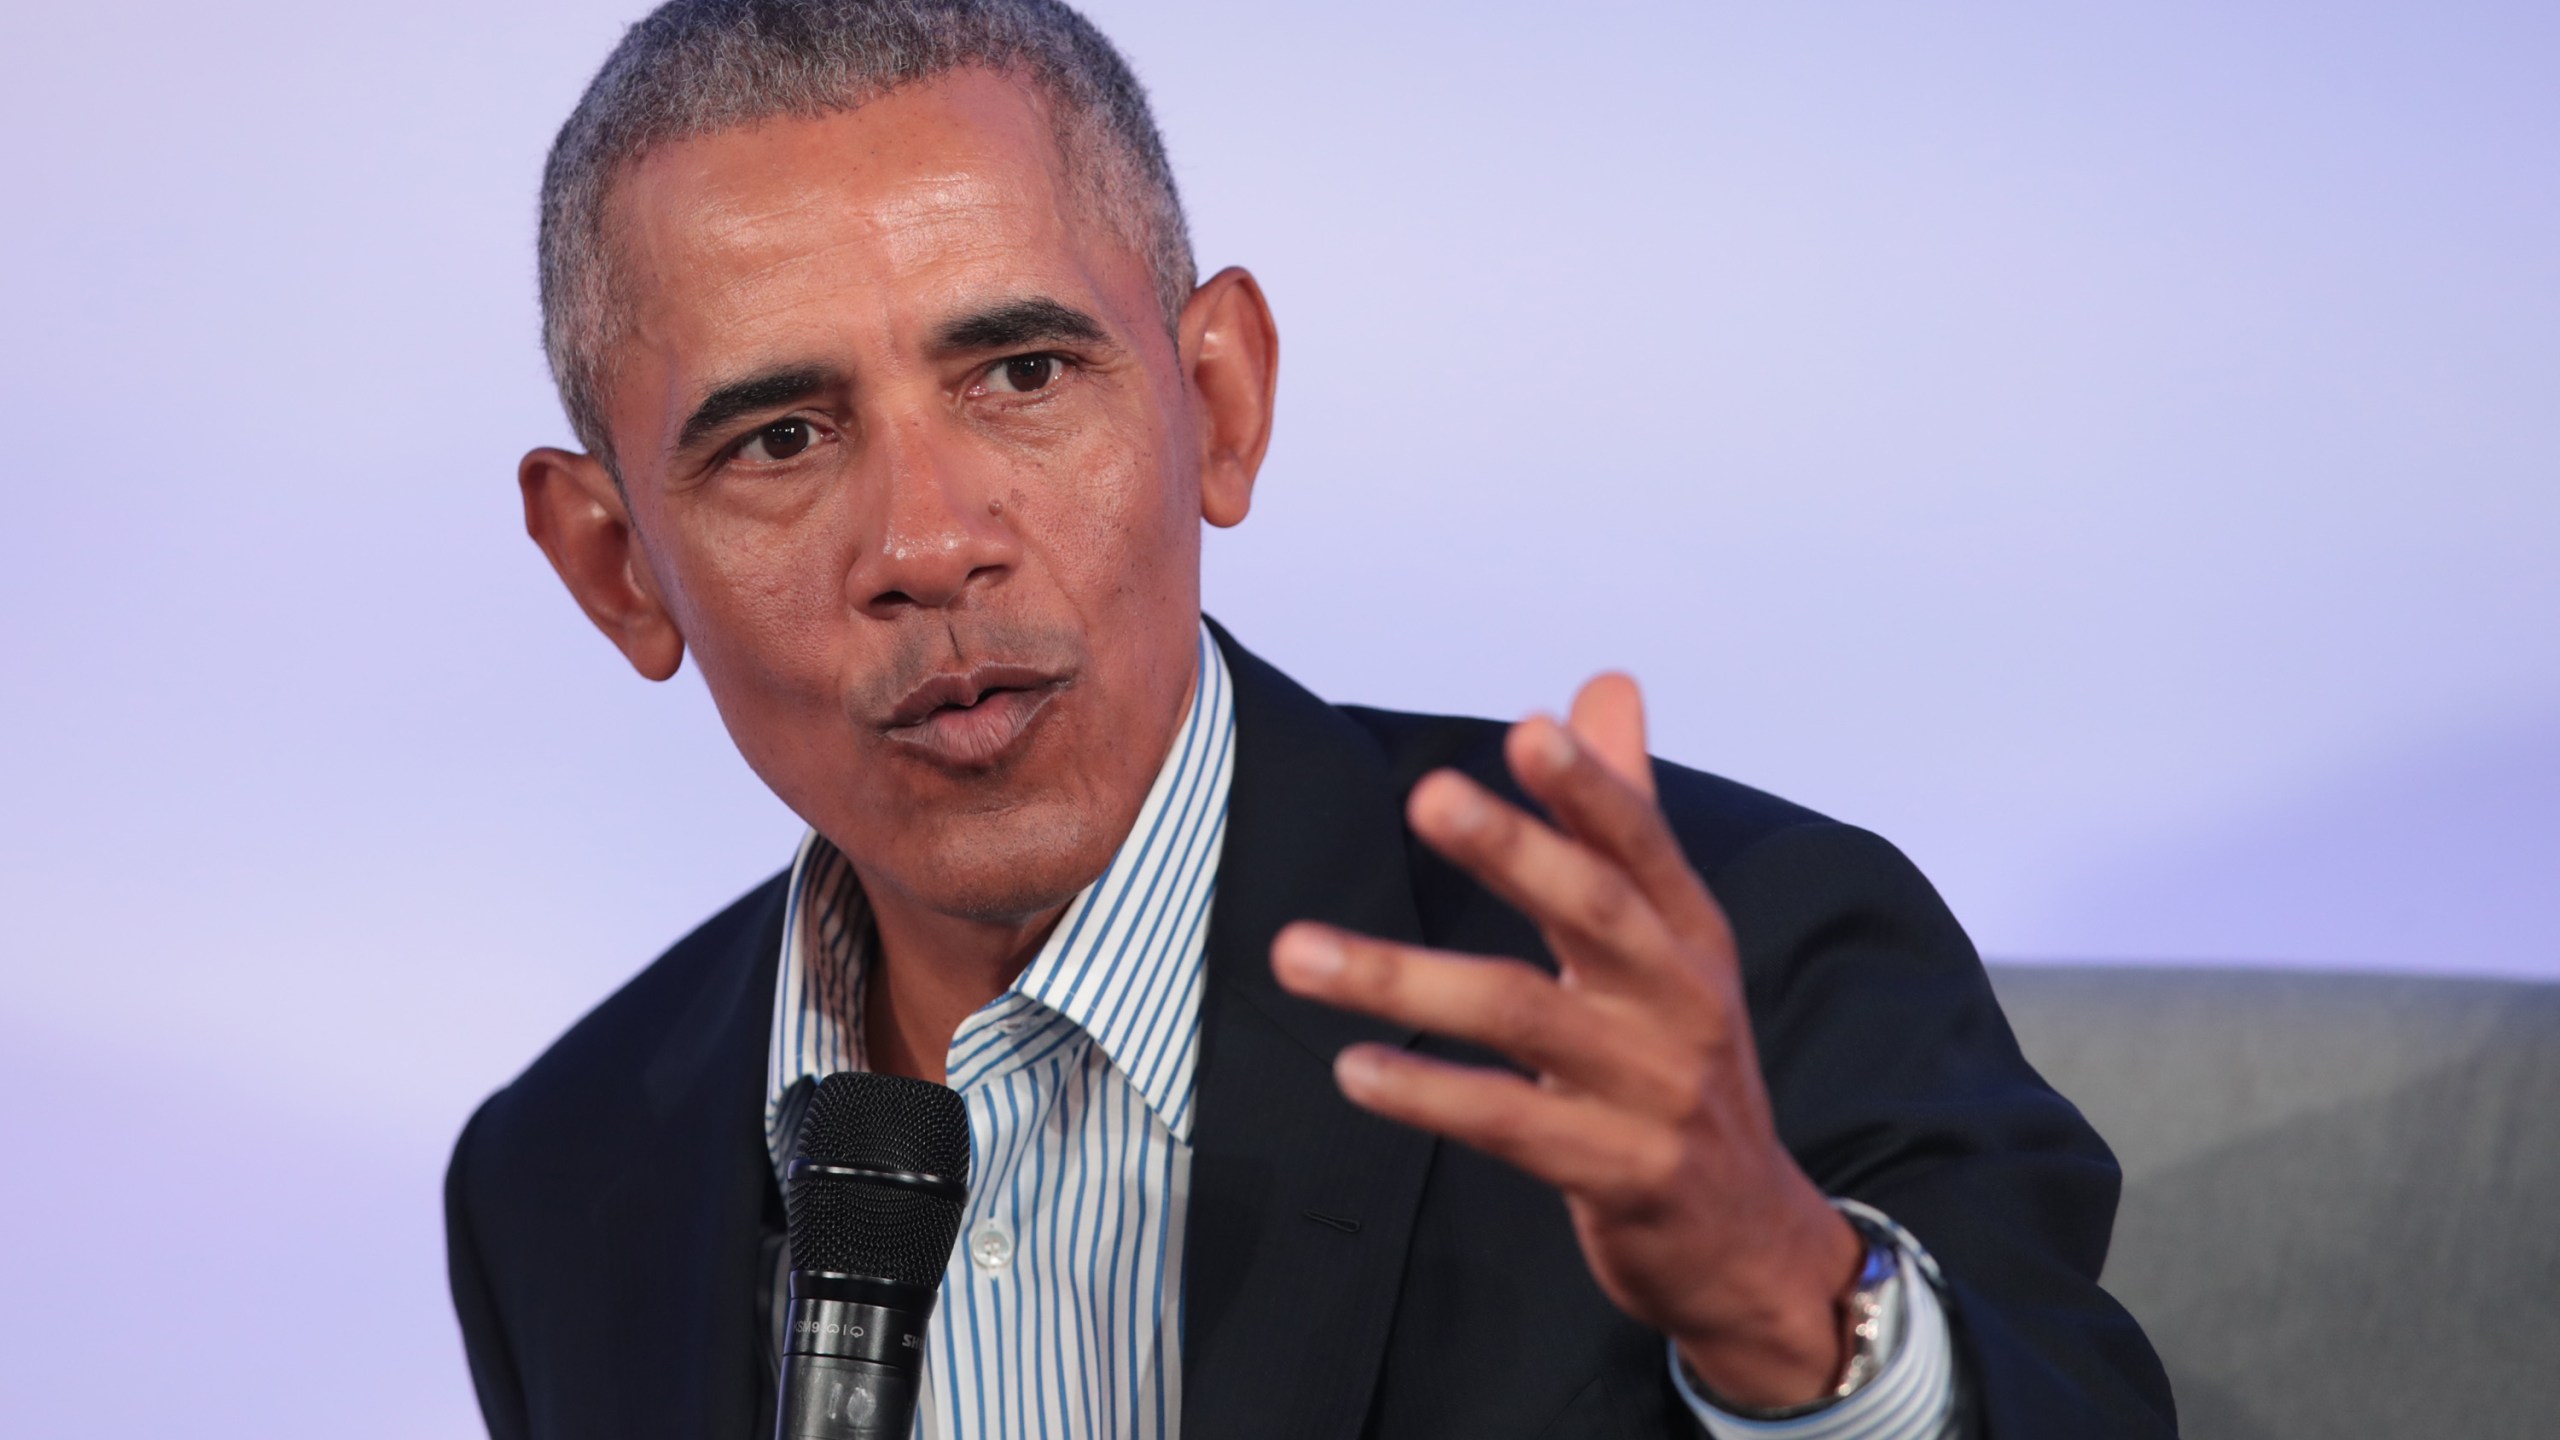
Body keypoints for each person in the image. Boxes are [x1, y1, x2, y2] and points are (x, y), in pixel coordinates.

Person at [444, 2, 2175, 1436]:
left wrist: (1786, 1305)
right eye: (782, 441)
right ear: (616, 567)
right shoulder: (568, 1174)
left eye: (1024, 376)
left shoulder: (1730, 963)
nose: (927, 543)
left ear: (1221, 400)